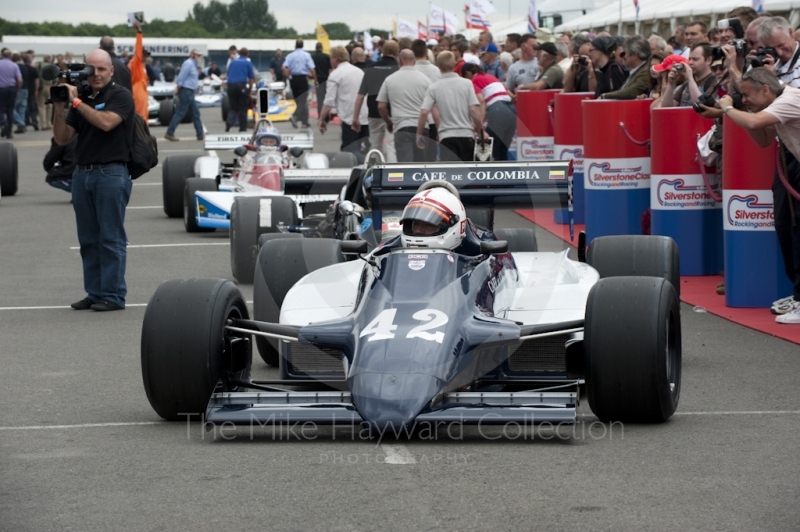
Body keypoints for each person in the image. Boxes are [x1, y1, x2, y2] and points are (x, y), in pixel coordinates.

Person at [700, 68, 800, 322]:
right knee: (788, 228)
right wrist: (739, 112)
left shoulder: (789, 99)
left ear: (765, 89)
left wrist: (727, 109)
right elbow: (763, 139)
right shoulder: (774, 103)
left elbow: (755, 123)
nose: (744, 100)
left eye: (747, 95)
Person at [52, 49, 135, 312]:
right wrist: (59, 107)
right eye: (91, 69)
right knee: (88, 239)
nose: (96, 74)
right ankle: (95, 291)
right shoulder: (84, 97)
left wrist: (76, 103)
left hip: (111, 173)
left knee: (110, 238)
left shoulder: (120, 95)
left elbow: (107, 122)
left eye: (101, 69)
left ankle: (113, 295)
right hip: (82, 174)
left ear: (111, 71)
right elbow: (62, 139)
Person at [416, 51, 484, 162]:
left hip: (447, 137)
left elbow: (424, 112)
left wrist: (419, 134)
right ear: (454, 64)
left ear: (438, 66)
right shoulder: (466, 84)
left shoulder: (434, 87)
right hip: (466, 135)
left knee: (451, 175)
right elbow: (473, 109)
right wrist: (481, 132)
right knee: (468, 174)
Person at [377, 49, 433, 162]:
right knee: (421, 165)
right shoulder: (426, 80)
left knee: (405, 166)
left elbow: (381, 106)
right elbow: (434, 105)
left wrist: (388, 122)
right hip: (422, 128)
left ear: (400, 61)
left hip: (401, 127)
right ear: (414, 61)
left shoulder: (390, 79)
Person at [353, 40, 399, 162]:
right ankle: (393, 174)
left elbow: (360, 96)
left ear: (382, 51)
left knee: (375, 145)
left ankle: (377, 170)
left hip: (374, 111)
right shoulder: (398, 69)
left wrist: (355, 117)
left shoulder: (371, 68)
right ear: (397, 53)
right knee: (391, 145)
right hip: (393, 112)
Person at [319, 46, 368, 159]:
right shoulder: (359, 71)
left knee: (350, 152)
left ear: (335, 59)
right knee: (363, 148)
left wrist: (322, 119)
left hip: (349, 117)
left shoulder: (336, 75)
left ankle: (367, 167)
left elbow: (329, 100)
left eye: (331, 58)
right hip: (365, 114)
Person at [461, 63, 516, 161]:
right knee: (502, 152)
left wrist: (479, 125)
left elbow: (481, 101)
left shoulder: (473, 81)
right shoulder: (492, 77)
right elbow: (512, 97)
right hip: (511, 110)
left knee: (488, 150)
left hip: (497, 111)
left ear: (468, 73)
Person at [164, 49, 205, 142]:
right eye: (198, 55)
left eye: (200, 55)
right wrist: (178, 87)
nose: (199, 57)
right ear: (192, 55)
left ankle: (200, 134)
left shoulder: (193, 64)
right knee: (181, 112)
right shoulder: (189, 63)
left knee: (195, 113)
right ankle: (170, 132)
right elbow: (182, 76)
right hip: (186, 90)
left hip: (189, 91)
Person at [660, 43, 716, 108]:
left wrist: (690, 79)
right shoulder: (686, 84)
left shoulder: (715, 82)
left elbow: (701, 106)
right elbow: (666, 108)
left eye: (695, 59)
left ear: (709, 60)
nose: (690, 62)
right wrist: (671, 84)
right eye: (689, 59)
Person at [283, 39, 316, 128]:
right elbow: (312, 68)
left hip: (293, 79)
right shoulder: (306, 55)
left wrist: (287, 76)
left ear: (295, 45)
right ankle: (295, 116)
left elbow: (284, 67)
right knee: (302, 100)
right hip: (302, 79)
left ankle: (304, 121)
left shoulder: (290, 56)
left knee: (299, 100)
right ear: (302, 45)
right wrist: (315, 79)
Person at [225, 47, 255, 132]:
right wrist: (249, 91)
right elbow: (251, 79)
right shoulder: (247, 62)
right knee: (243, 107)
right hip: (241, 85)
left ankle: (229, 122)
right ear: (247, 54)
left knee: (233, 107)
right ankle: (242, 128)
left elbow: (228, 75)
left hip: (231, 86)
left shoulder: (233, 62)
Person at [128, 20, 149, 120]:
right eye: (144, 54)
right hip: (138, 93)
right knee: (140, 119)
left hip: (140, 93)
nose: (145, 56)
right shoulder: (135, 62)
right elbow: (138, 49)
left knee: (142, 118)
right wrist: (139, 32)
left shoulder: (140, 65)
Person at [0, 49, 22, 139]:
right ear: (10, 56)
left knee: (1, 108)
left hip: (1, 89)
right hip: (11, 89)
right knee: (10, 110)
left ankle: (3, 123)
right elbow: (19, 80)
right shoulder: (14, 65)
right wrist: (17, 89)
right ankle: (9, 132)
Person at [312, 43, 331, 119]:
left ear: (316, 48)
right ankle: (327, 115)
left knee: (320, 99)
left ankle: (320, 115)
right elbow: (330, 69)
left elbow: (312, 70)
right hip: (326, 79)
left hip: (318, 80)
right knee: (327, 98)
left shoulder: (313, 57)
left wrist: (315, 79)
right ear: (322, 48)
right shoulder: (326, 57)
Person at [37, 54, 54, 130]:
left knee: (41, 106)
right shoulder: (52, 67)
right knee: (49, 106)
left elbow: (36, 75)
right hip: (50, 87)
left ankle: (43, 124)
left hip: (41, 87)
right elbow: (55, 79)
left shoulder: (39, 65)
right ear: (50, 59)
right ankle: (49, 123)